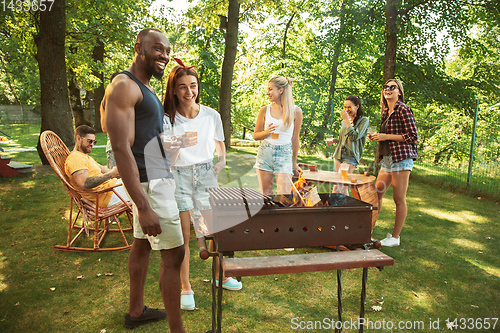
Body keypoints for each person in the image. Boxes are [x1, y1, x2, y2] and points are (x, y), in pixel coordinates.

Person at [100, 28, 187, 332]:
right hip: (150, 185)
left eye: (166, 50)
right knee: (174, 254)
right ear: (138, 47)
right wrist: (144, 205)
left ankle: (135, 312)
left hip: (154, 179)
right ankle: (178, 330)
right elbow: (121, 147)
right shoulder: (124, 85)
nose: (163, 55)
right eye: (157, 49)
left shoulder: (145, 87)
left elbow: (140, 139)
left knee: (141, 245)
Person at [163, 58, 241, 311]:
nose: (189, 92)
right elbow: (168, 160)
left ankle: (221, 275)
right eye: (183, 86)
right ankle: (186, 287)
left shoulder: (211, 115)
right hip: (180, 176)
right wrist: (179, 145)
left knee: (216, 229)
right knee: (183, 236)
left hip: (207, 174)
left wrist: (220, 162)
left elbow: (220, 143)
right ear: (174, 89)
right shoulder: (168, 119)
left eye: (193, 86)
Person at [368, 79, 418, 247]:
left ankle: (395, 237)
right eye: (386, 87)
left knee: (399, 199)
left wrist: (386, 136)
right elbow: (387, 136)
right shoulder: (385, 112)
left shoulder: (403, 109)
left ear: (399, 92)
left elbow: (412, 136)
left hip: (401, 159)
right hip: (388, 159)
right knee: (376, 194)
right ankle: (368, 229)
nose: (388, 89)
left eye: (392, 87)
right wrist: (377, 136)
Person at [253, 76, 303, 195]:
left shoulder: (296, 111)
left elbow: (295, 139)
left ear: (280, 90)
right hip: (265, 153)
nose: (267, 93)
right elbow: (255, 135)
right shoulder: (265, 110)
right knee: (266, 196)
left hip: (284, 154)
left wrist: (294, 162)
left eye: (270, 89)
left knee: (285, 196)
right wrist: (266, 132)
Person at [64, 125, 127, 207]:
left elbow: (105, 170)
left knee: (143, 182)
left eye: (94, 142)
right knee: (145, 188)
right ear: (78, 139)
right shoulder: (75, 159)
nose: (92, 145)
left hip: (112, 189)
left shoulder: (84, 157)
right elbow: (84, 184)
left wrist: (119, 173)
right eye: (90, 141)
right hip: (108, 195)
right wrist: (111, 174)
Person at [326, 95, 369, 195]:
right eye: (345, 107)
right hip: (339, 154)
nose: (346, 110)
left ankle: (331, 208)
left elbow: (354, 137)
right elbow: (345, 139)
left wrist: (346, 120)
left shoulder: (364, 121)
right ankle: (347, 209)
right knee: (343, 186)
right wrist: (335, 140)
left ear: (357, 106)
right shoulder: (344, 121)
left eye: (349, 107)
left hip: (351, 156)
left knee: (337, 186)